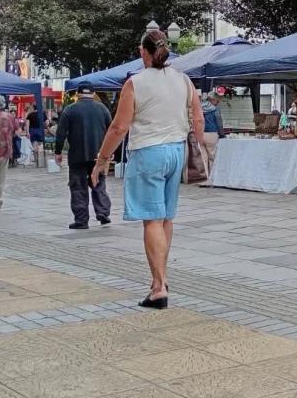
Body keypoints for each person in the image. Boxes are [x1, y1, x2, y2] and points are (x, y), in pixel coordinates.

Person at [91, 28, 205, 309]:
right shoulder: (184, 80)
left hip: (148, 152)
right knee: (165, 218)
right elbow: (199, 119)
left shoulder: (135, 83)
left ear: (143, 52)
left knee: (152, 220)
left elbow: (119, 127)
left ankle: (159, 286)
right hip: (176, 151)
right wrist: (198, 145)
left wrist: (102, 159)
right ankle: (161, 280)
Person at [55, 80, 113, 230]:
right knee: (99, 183)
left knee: (78, 187)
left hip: (77, 156)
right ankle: (103, 213)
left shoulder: (70, 110)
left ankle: (81, 220)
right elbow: (111, 130)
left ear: (77, 93)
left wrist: (58, 152)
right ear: (93, 93)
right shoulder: (102, 109)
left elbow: (60, 134)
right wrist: (110, 152)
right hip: (98, 155)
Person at [201, 91, 226, 166]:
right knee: (212, 157)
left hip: (200, 134)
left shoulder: (200, 107)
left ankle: (205, 173)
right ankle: (212, 173)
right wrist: (222, 135)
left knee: (203, 158)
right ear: (212, 99)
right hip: (212, 134)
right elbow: (219, 124)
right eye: (217, 101)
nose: (217, 103)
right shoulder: (215, 109)